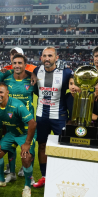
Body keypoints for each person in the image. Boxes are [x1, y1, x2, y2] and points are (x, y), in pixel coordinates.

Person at [33, 46, 73, 188]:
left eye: (50, 56)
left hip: (59, 115)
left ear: (57, 57)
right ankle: (45, 176)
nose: (47, 58)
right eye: (45, 56)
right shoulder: (37, 71)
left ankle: (61, 176)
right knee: (42, 145)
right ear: (41, 58)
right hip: (41, 115)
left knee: (62, 145)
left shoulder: (66, 72)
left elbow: (73, 89)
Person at [0, 82, 37, 197]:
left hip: (25, 134)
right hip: (11, 134)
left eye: (1, 92)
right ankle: (1, 180)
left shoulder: (17, 105)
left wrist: (26, 143)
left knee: (26, 157)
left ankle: (27, 186)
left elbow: (32, 124)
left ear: (7, 93)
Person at [3, 53, 36, 184]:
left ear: (24, 65)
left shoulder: (32, 80)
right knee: (11, 149)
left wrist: (32, 74)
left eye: (20, 63)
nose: (17, 65)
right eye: (14, 63)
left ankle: (29, 177)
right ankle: (11, 172)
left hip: (28, 124)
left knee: (28, 153)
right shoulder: (6, 80)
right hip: (11, 122)